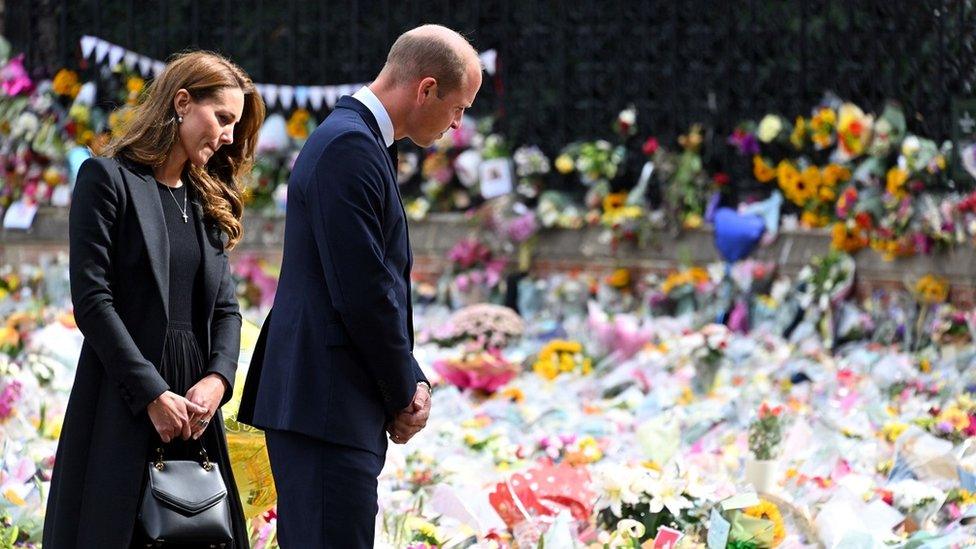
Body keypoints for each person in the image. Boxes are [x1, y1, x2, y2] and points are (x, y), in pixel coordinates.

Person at [241, 24, 483, 547]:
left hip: (329, 402)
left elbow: (369, 286)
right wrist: (403, 391)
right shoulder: (349, 146)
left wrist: (411, 378)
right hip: (326, 404)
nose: (458, 124)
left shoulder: (358, 140)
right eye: (459, 107)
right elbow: (362, 291)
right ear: (425, 89)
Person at [43, 51, 265, 548]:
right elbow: (93, 300)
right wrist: (149, 393)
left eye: (234, 124)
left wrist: (218, 379)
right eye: (223, 118)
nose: (229, 135)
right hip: (124, 392)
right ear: (182, 102)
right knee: (115, 531)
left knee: (198, 530)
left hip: (194, 403)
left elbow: (226, 308)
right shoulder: (108, 180)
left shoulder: (205, 198)